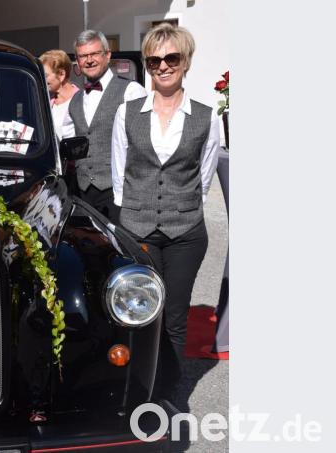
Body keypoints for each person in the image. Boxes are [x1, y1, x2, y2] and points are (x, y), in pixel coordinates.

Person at [110, 23, 220, 402]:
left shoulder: (207, 117)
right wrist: (136, 216)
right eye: (154, 60)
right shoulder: (127, 114)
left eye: (171, 57)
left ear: (185, 61)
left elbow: (203, 180)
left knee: (174, 316)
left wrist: (178, 205)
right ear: (147, 64)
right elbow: (119, 174)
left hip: (185, 232)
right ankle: (138, 389)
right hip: (138, 228)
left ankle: (168, 393)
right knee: (140, 313)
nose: (163, 66)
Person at [66, 30, 146, 223]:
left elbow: (144, 146)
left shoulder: (131, 91)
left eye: (94, 54)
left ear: (107, 55)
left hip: (120, 194)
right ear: (77, 60)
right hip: (83, 194)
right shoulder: (75, 100)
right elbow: (68, 142)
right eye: (83, 56)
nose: (89, 60)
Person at [39, 49, 80, 139]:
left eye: (45, 76)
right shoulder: (47, 99)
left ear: (61, 75)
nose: (41, 79)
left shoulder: (81, 100)